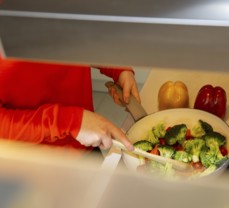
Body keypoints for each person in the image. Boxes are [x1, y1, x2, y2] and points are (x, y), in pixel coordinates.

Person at [0, 52, 140, 156]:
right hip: (35, 161)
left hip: (86, 141)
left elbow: (76, 40)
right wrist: (71, 122)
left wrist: (117, 67)